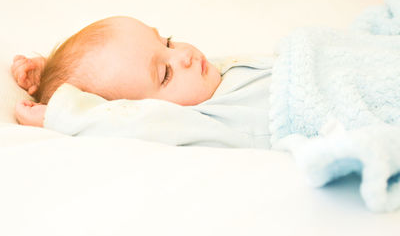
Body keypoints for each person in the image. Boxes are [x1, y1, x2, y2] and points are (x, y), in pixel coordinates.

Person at [11, 16, 274, 148]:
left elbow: (103, 64)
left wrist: (52, 68)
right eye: (165, 74)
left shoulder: (208, 77)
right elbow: (130, 121)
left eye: (167, 42)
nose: (183, 55)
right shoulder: (202, 119)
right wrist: (62, 111)